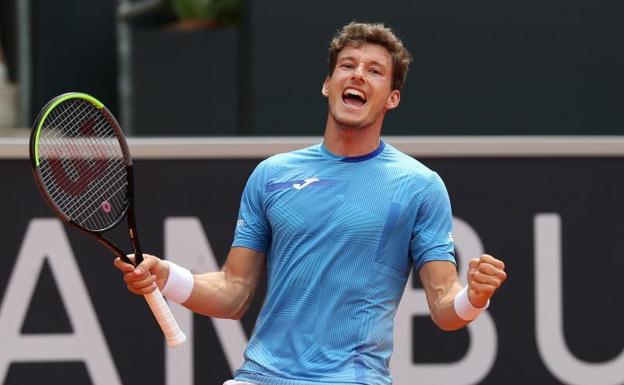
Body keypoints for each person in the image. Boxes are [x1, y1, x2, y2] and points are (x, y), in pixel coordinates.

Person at [115, 22, 507, 385]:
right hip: (260, 376)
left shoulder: (419, 186)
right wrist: (165, 275)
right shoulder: (271, 176)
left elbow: (443, 307)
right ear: (327, 84)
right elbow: (233, 293)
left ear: (392, 98)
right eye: (347, 65)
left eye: (374, 70)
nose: (357, 74)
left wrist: (473, 299)